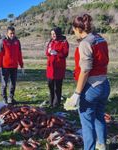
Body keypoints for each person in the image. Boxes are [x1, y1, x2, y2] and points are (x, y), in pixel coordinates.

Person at [65, 14, 110, 150]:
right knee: (99, 117)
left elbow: (85, 70)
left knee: (87, 123)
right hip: (104, 84)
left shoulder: (85, 43)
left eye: (73, 30)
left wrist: (77, 93)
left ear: (78, 29)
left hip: (91, 87)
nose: (73, 33)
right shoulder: (100, 39)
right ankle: (101, 145)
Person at [0, 26, 24, 104]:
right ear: (7, 33)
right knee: (4, 84)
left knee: (13, 84)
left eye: (13, 33)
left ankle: (11, 98)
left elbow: (19, 54)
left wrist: (21, 65)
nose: (12, 35)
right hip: (5, 67)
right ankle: (4, 99)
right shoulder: (3, 42)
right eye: (10, 33)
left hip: (14, 67)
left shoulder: (17, 42)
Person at [45, 27, 69, 108]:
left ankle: (56, 103)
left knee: (57, 87)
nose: (53, 35)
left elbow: (65, 54)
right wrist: (48, 52)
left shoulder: (64, 42)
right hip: (50, 67)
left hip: (59, 67)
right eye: (52, 34)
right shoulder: (51, 42)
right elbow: (47, 53)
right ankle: (51, 101)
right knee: (50, 85)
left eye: (54, 34)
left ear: (58, 33)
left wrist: (57, 53)